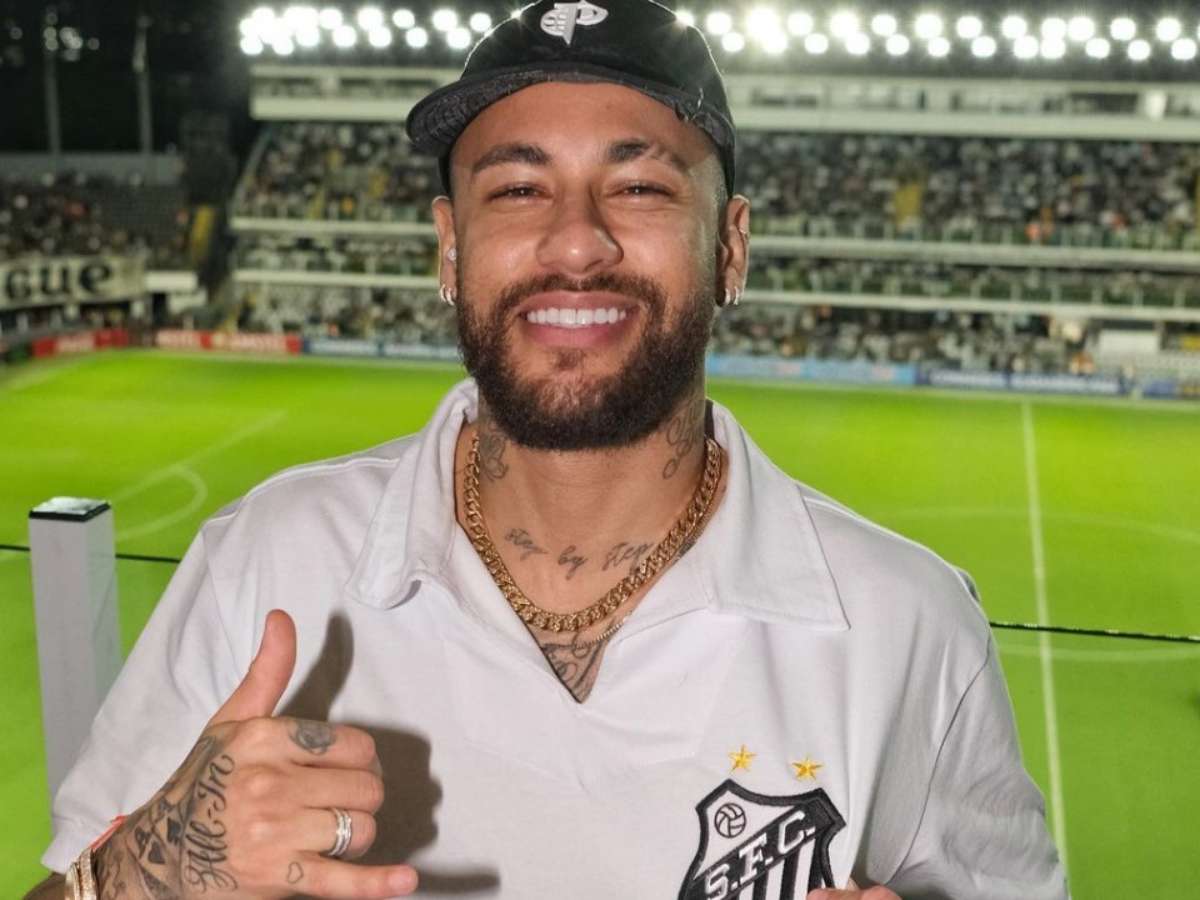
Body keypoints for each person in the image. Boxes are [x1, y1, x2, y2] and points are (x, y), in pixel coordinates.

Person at [27, 1, 1067, 898]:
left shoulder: (905, 625)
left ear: (732, 247)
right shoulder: (267, 561)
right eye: (518, 189)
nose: (576, 241)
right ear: (448, 247)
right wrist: (147, 875)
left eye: (641, 187)